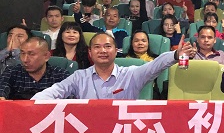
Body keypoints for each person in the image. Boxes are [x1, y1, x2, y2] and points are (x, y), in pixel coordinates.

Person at [32, 33, 195, 100]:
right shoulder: (79, 77)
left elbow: (155, 66)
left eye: (108, 47)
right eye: (97, 47)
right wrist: (30, 106)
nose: (103, 51)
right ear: (90, 52)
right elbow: (55, 91)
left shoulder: (132, 74)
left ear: (116, 51)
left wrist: (176, 54)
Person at [0, 37, 70, 100]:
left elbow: (71, 100)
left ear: (46, 56)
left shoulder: (60, 75)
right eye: (23, 53)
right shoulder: (12, 72)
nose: (25, 60)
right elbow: (2, 88)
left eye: (31, 54)